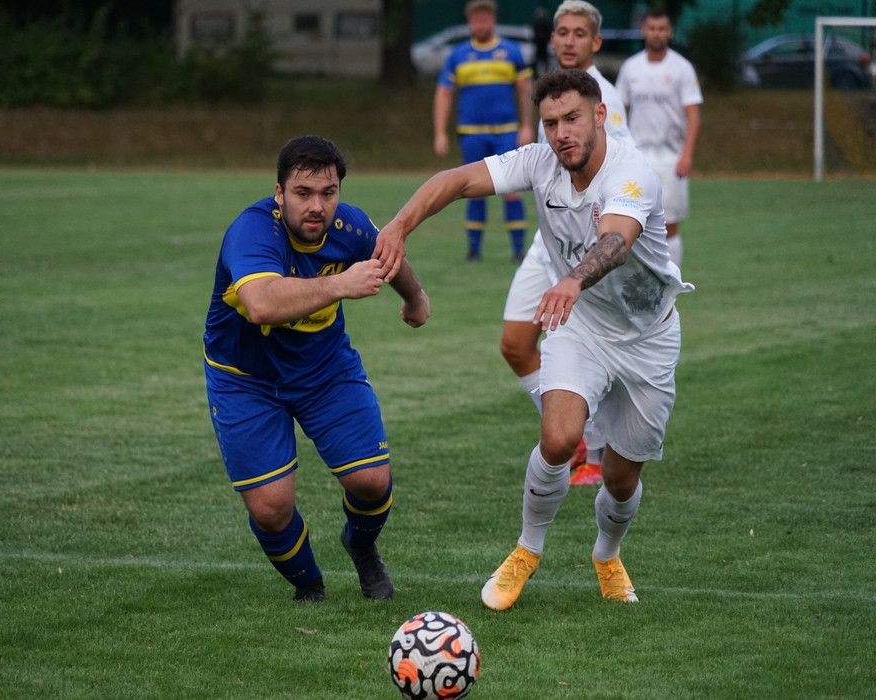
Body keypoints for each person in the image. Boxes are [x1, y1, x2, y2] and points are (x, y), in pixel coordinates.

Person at [374, 70, 693, 608]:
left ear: (600, 116)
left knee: (620, 480)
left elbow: (616, 241)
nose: (561, 133)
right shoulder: (539, 161)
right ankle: (526, 550)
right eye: (550, 123)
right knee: (558, 439)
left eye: (572, 119)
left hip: (648, 339)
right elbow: (455, 180)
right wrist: (399, 225)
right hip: (581, 326)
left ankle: (607, 554)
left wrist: (572, 279)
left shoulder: (632, 173)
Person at [203, 135, 430, 603]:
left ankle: (361, 546)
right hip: (245, 379)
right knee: (271, 509)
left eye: (328, 193)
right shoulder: (252, 232)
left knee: (371, 481)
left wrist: (415, 297)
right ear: (279, 193)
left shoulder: (350, 226)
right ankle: (310, 585)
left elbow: (385, 251)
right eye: (303, 193)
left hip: (324, 369)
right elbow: (262, 304)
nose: (316, 206)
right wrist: (341, 284)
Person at [504, 0, 635, 487]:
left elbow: (618, 172)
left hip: (587, 246)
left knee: (589, 352)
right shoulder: (553, 92)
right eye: (561, 32)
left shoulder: (604, 99)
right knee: (515, 344)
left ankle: (595, 455)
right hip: (549, 240)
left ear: (595, 42)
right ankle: (574, 435)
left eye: (579, 33)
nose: (568, 40)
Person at [433, 0, 537, 263]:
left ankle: (518, 250)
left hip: (506, 132)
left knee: (512, 189)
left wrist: (526, 126)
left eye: (485, 19)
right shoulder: (458, 55)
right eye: (476, 20)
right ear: (470, 23)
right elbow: (444, 93)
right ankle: (473, 251)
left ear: (493, 21)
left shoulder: (511, 51)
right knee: (474, 189)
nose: (480, 24)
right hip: (472, 133)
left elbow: (525, 90)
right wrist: (440, 132)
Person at [615, 7, 702, 269]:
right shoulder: (631, 67)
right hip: (637, 158)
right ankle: (639, 280)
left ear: (669, 32)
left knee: (668, 225)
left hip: (670, 159)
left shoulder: (682, 68)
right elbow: (617, 113)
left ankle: (670, 282)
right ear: (644, 30)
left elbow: (693, 116)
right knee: (631, 222)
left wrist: (686, 155)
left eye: (662, 29)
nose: (656, 33)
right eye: (652, 28)